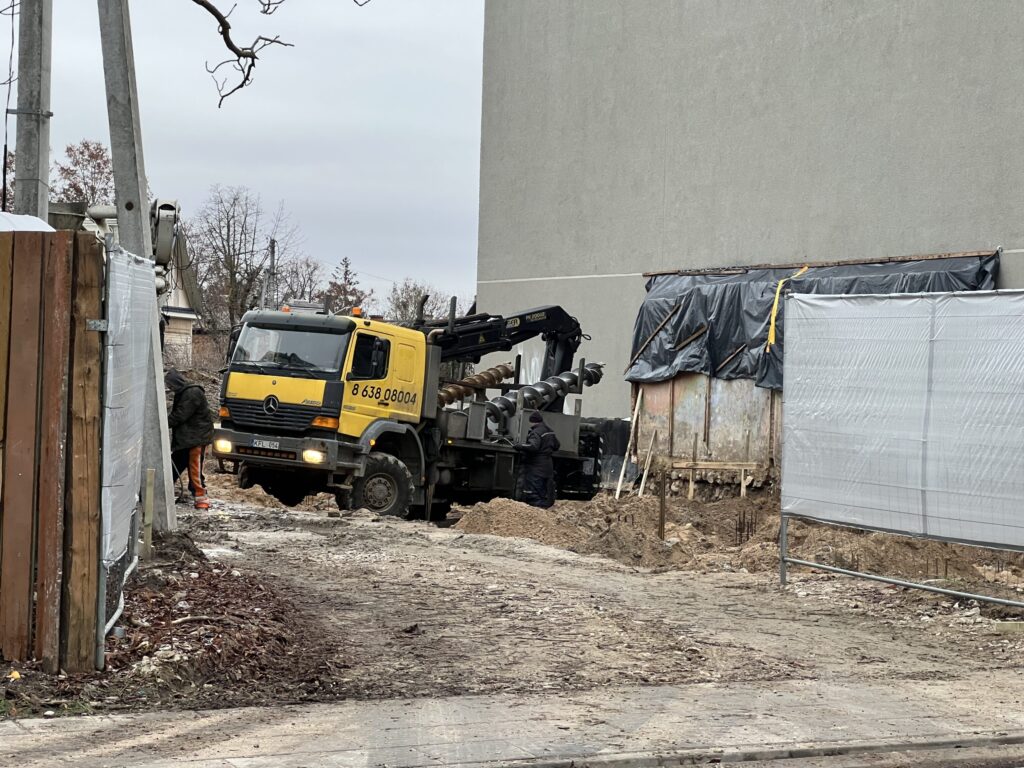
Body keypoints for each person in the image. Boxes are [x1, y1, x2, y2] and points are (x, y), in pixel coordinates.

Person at [165, 369, 214, 510]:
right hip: (187, 438)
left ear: (176, 383)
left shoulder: (191, 393)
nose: (170, 389)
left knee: (194, 469)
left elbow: (180, 415)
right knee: (175, 464)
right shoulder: (184, 392)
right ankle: (164, 488)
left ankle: (201, 496)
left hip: (195, 438)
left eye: (170, 386)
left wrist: (163, 422)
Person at [516, 411, 560, 509]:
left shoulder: (536, 432)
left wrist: (520, 446)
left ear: (532, 422)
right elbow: (557, 445)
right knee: (544, 492)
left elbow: (533, 446)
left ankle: (538, 513)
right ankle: (545, 512)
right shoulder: (550, 431)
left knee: (534, 494)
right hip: (548, 467)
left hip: (536, 467)